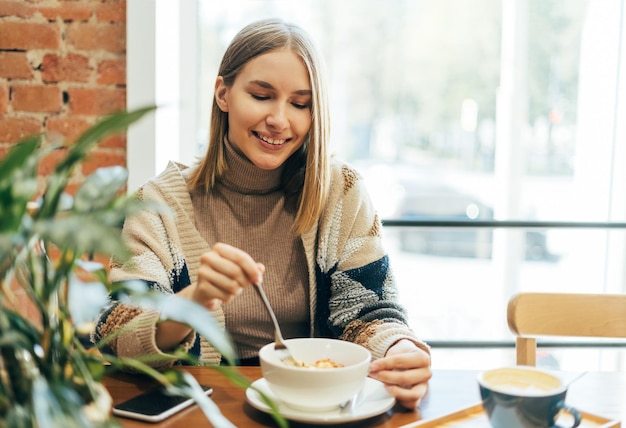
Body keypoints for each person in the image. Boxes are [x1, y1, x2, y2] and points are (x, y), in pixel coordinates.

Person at [94, 18, 431, 409]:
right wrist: (192, 301)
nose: (280, 119)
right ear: (223, 93)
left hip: (316, 409)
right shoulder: (157, 205)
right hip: (206, 411)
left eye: (300, 104)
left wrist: (399, 346)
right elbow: (118, 329)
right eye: (261, 96)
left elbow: (369, 311)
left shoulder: (340, 193)